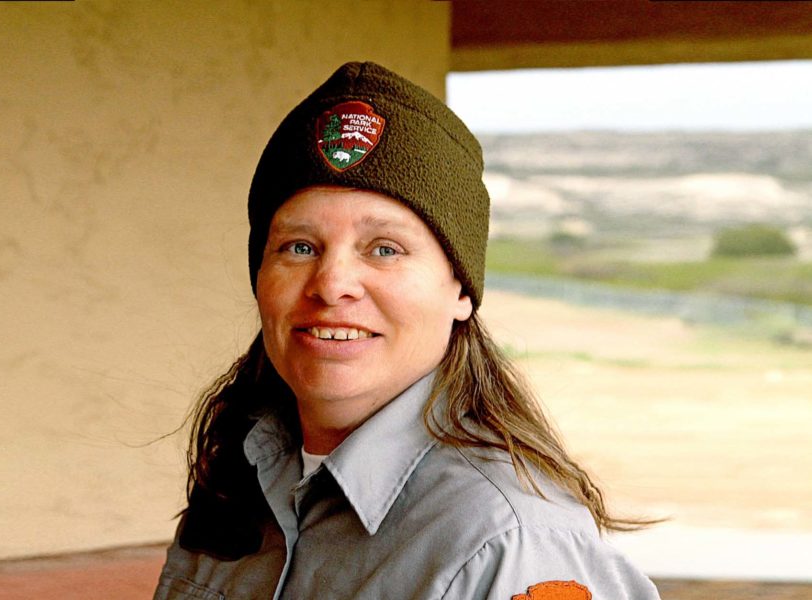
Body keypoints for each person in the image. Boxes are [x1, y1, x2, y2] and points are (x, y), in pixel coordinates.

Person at [154, 61, 660, 600]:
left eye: (385, 249)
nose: (332, 284)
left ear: (461, 290)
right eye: (299, 247)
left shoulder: (510, 543)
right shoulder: (236, 489)